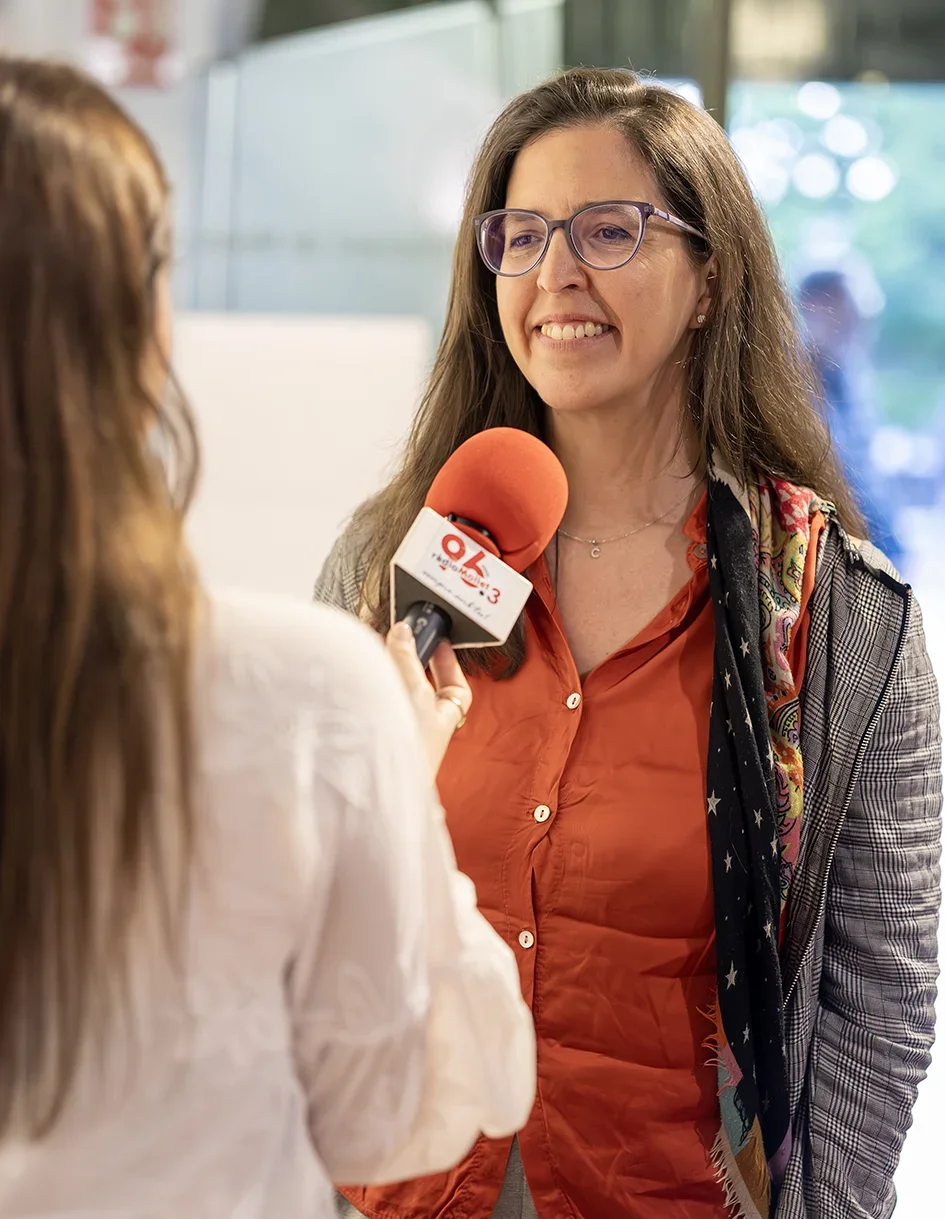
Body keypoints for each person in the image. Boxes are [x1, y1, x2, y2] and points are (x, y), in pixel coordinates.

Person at [316, 67, 942, 1219]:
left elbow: (880, 996)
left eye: (609, 231)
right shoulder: (390, 562)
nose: (556, 272)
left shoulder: (836, 618)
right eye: (522, 235)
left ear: (711, 279)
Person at [0, 56, 535, 1217]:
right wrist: (394, 782)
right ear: (142, 325)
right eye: (523, 235)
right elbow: (385, 1113)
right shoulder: (308, 691)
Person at [798, 270, 904, 570]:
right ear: (813, 305)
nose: (853, 328)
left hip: (872, 530)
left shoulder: (844, 373)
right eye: (846, 315)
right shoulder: (794, 377)